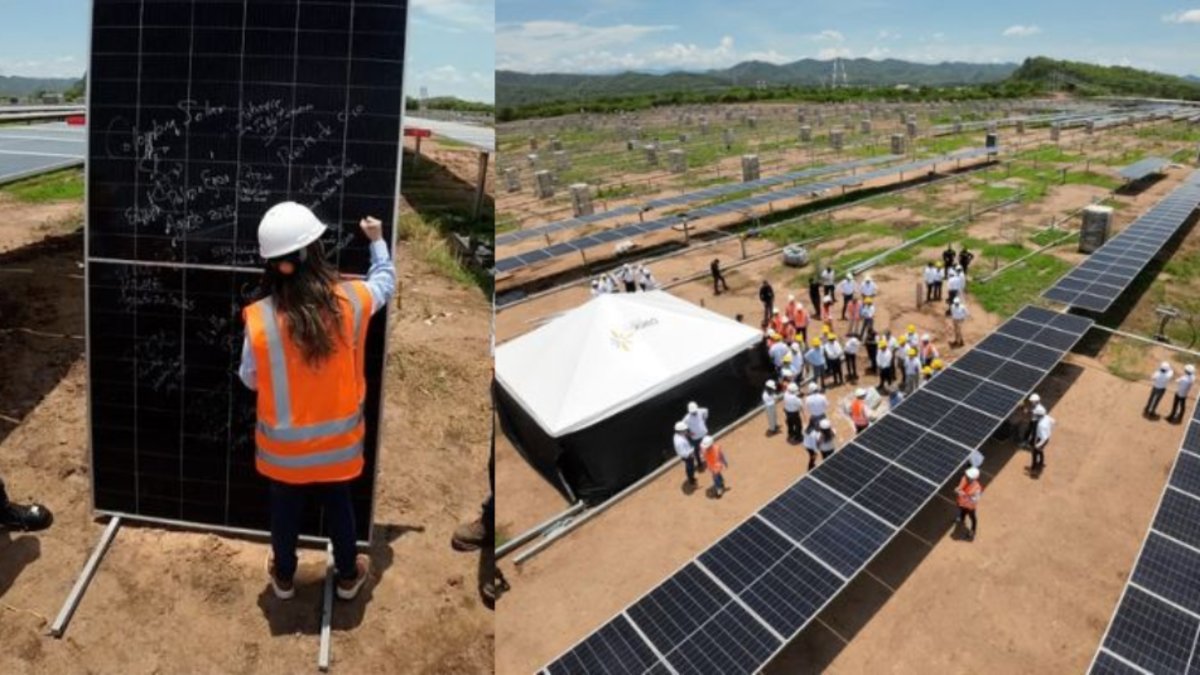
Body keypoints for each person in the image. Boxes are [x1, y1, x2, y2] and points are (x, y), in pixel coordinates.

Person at [240, 202, 392, 601]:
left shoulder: (260, 319)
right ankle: (348, 576)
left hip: (283, 454)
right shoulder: (352, 300)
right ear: (313, 252)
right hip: (338, 449)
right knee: (340, 507)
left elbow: (249, 378)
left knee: (284, 513)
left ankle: (284, 578)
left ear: (272, 264)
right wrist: (377, 241)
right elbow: (384, 282)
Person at [955, 466, 982, 540]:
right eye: (967, 475)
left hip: (970, 506)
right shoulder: (964, 478)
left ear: (973, 479)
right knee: (962, 511)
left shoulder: (977, 488)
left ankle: (972, 531)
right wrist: (957, 490)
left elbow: (975, 499)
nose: (966, 477)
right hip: (961, 503)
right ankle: (961, 519)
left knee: (972, 518)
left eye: (968, 476)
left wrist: (965, 495)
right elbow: (959, 487)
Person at [683, 402, 710, 472]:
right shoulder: (686, 418)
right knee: (697, 451)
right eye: (692, 412)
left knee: (709, 447)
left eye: (694, 411)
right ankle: (699, 463)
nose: (694, 413)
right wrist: (688, 433)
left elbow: (706, 410)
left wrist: (704, 419)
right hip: (696, 438)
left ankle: (711, 458)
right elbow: (683, 427)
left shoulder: (700, 411)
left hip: (704, 434)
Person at [673, 421, 698, 486]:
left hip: (688, 452)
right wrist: (691, 455)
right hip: (687, 456)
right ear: (680, 431)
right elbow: (683, 453)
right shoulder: (679, 442)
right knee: (690, 467)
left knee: (690, 465)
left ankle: (691, 476)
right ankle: (691, 479)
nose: (686, 431)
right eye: (685, 430)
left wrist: (689, 434)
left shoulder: (678, 435)